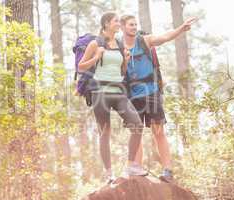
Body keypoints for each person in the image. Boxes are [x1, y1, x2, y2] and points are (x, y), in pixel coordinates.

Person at [120, 14, 197, 182]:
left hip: (151, 92)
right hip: (132, 96)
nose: (134, 27)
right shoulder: (119, 47)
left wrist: (181, 29)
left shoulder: (145, 40)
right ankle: (136, 170)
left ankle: (168, 170)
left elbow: (164, 37)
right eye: (130, 25)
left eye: (135, 24)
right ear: (122, 27)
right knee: (136, 133)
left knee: (158, 132)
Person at [78, 12, 148, 184]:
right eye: (116, 21)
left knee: (137, 125)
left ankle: (131, 165)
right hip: (100, 93)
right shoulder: (95, 43)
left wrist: (125, 60)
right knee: (105, 133)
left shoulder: (119, 43)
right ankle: (109, 174)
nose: (119, 23)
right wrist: (96, 57)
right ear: (106, 24)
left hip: (118, 91)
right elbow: (81, 67)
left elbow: (122, 72)